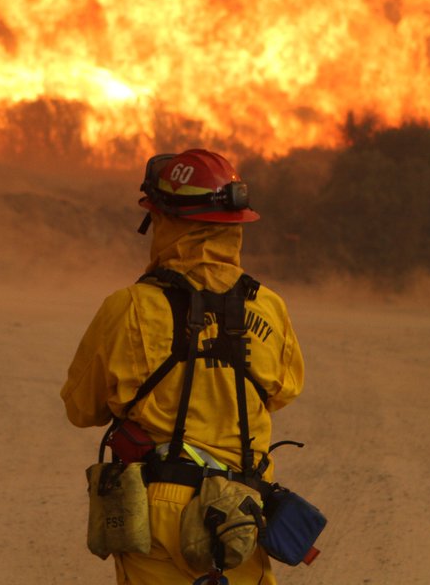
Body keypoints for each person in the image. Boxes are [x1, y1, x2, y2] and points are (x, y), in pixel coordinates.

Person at [61, 149, 305, 585]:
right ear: (235, 228)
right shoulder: (269, 308)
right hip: (239, 513)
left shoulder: (129, 307)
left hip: (156, 509)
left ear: (166, 223)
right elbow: (283, 392)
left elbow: (82, 409)